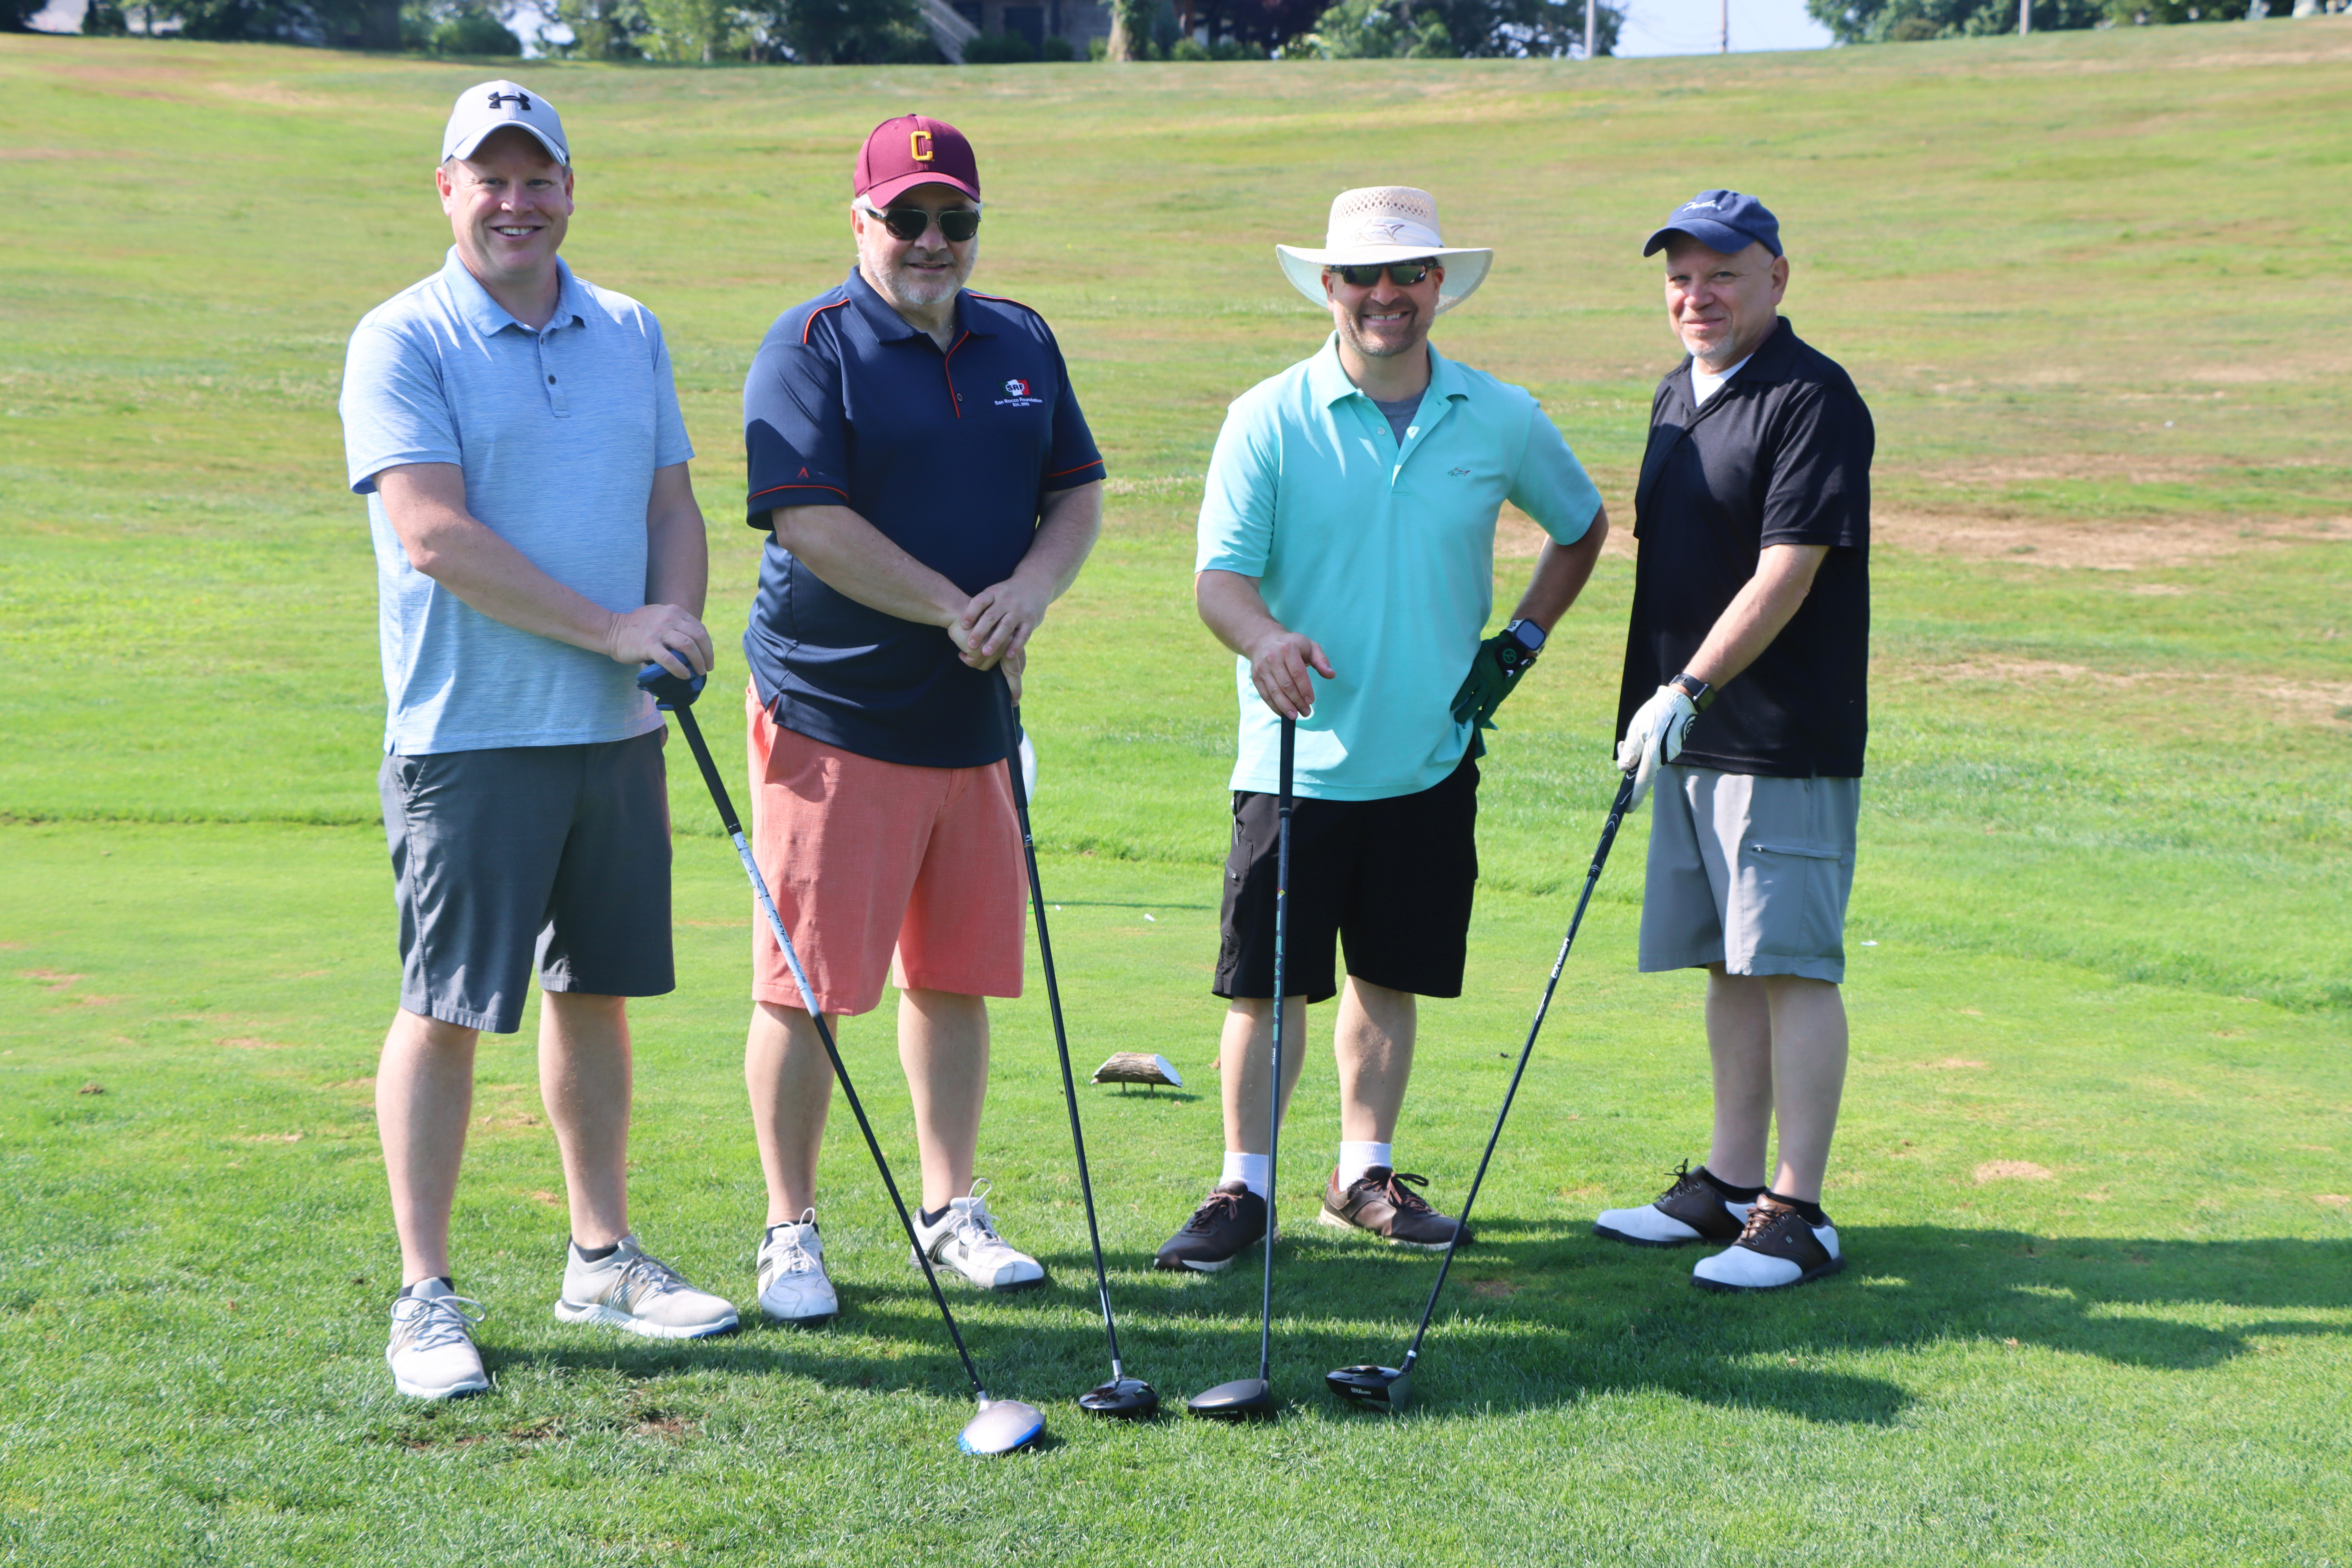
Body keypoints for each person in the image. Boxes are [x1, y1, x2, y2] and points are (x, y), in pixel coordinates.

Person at [340, 81, 737, 1400]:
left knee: (597, 993)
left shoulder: (629, 328)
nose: (517, 201)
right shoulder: (403, 337)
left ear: (571, 186)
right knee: (448, 1008)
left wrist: (673, 613)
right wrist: (614, 624)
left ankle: (601, 1253)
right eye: (489, 178)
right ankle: (424, 1292)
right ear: (445, 188)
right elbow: (432, 536)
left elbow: (671, 497)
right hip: (471, 735)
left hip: (615, 731)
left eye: (538, 176)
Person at [1156, 186, 1611, 1273]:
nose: (1385, 296)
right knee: (1268, 986)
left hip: (1429, 757)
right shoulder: (1268, 416)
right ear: (1329, 287)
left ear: (1437, 285)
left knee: (1388, 978)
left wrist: (1524, 641)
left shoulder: (1497, 415)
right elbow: (1220, 583)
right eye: (1362, 276)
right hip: (1295, 758)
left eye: (1407, 275)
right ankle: (1244, 1186)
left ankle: (1362, 1175)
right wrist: (1264, 640)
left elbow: (1583, 526)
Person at [734, 116, 1105, 1325]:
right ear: (862, 222)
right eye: (908, 217)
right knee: (808, 988)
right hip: (835, 713)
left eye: (956, 219)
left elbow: (1074, 492)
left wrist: (1029, 598)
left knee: (953, 978)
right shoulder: (809, 348)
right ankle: (789, 1230)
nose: (933, 240)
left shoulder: (1023, 338)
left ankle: (951, 1207)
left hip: (975, 722)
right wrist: (959, 607)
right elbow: (807, 522)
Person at [1590, 190, 1874, 1292]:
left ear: (1777, 279)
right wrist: (1666, 706)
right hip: (1690, 735)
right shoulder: (1679, 393)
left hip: (1776, 737)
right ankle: (1728, 1182)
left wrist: (1688, 689)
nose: (1696, 296)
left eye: (1723, 274)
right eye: (1680, 276)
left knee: (1790, 965)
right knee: (1726, 963)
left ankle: (1797, 1214)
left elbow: (1787, 572)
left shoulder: (1813, 398)